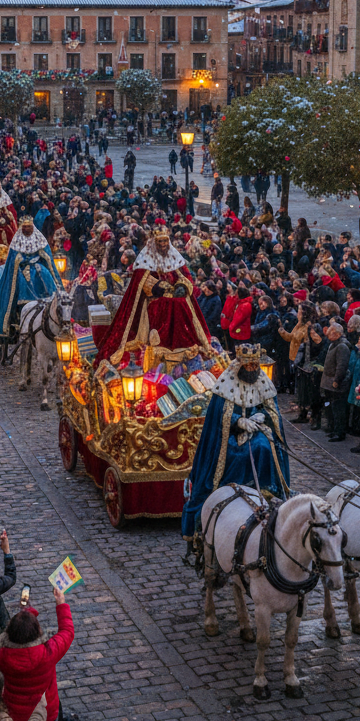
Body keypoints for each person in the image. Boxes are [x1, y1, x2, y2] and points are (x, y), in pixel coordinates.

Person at [180, 344, 290, 542]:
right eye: (247, 367)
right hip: (229, 436)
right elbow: (218, 416)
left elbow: (272, 411)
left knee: (264, 447)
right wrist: (238, 421)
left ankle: (267, 490)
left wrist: (260, 416)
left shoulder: (262, 382)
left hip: (256, 429)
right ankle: (229, 491)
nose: (251, 371)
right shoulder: (226, 384)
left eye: (253, 367)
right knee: (239, 454)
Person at [96, 228, 213, 366]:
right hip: (155, 299)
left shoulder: (174, 257)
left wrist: (182, 286)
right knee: (164, 307)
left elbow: (185, 276)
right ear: (154, 242)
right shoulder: (146, 259)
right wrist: (158, 286)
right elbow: (141, 282)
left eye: (165, 241)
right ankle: (162, 344)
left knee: (181, 304)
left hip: (175, 296)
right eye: (160, 241)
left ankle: (182, 342)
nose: (163, 244)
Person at [0, 589, 74, 721]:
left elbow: (19, 631)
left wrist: (26, 614)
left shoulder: (2, 655)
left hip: (15, 713)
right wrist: (61, 603)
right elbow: (67, 631)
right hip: (45, 712)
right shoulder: (47, 653)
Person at [0, 217, 62, 338]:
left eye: (29, 227)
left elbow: (47, 256)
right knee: (21, 279)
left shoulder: (39, 239)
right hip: (22, 269)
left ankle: (48, 299)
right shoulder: (16, 241)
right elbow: (12, 260)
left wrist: (41, 256)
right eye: (25, 227)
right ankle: (20, 308)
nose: (27, 229)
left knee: (44, 273)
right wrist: (20, 261)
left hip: (37, 267)